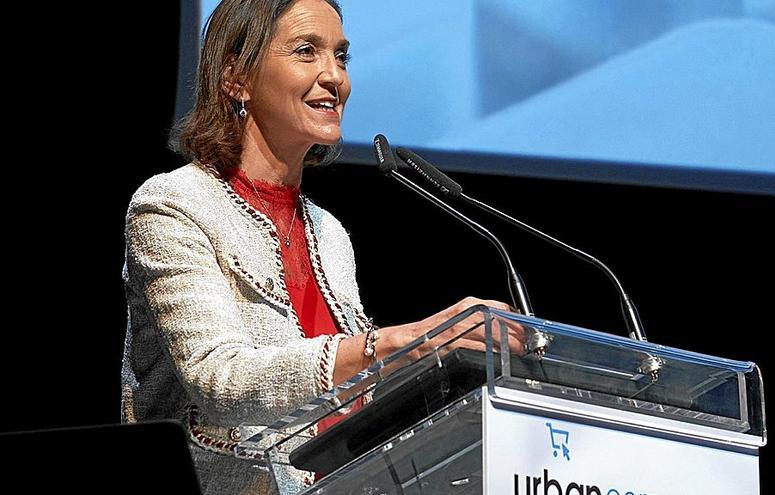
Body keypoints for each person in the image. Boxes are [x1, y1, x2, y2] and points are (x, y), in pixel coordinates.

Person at [120, 0, 523, 493]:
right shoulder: (174, 204)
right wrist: (398, 343)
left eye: (341, 56)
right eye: (307, 51)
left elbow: (351, 396)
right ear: (236, 79)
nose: (334, 76)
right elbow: (218, 380)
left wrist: (447, 362)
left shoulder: (327, 233)